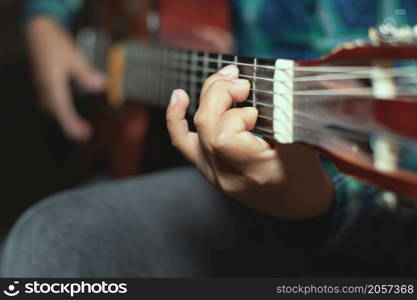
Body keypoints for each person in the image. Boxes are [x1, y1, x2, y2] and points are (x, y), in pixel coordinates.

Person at [1, 0, 417, 277]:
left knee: (51, 241)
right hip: (193, 155)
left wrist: (316, 201)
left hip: (347, 206)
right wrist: (44, 19)